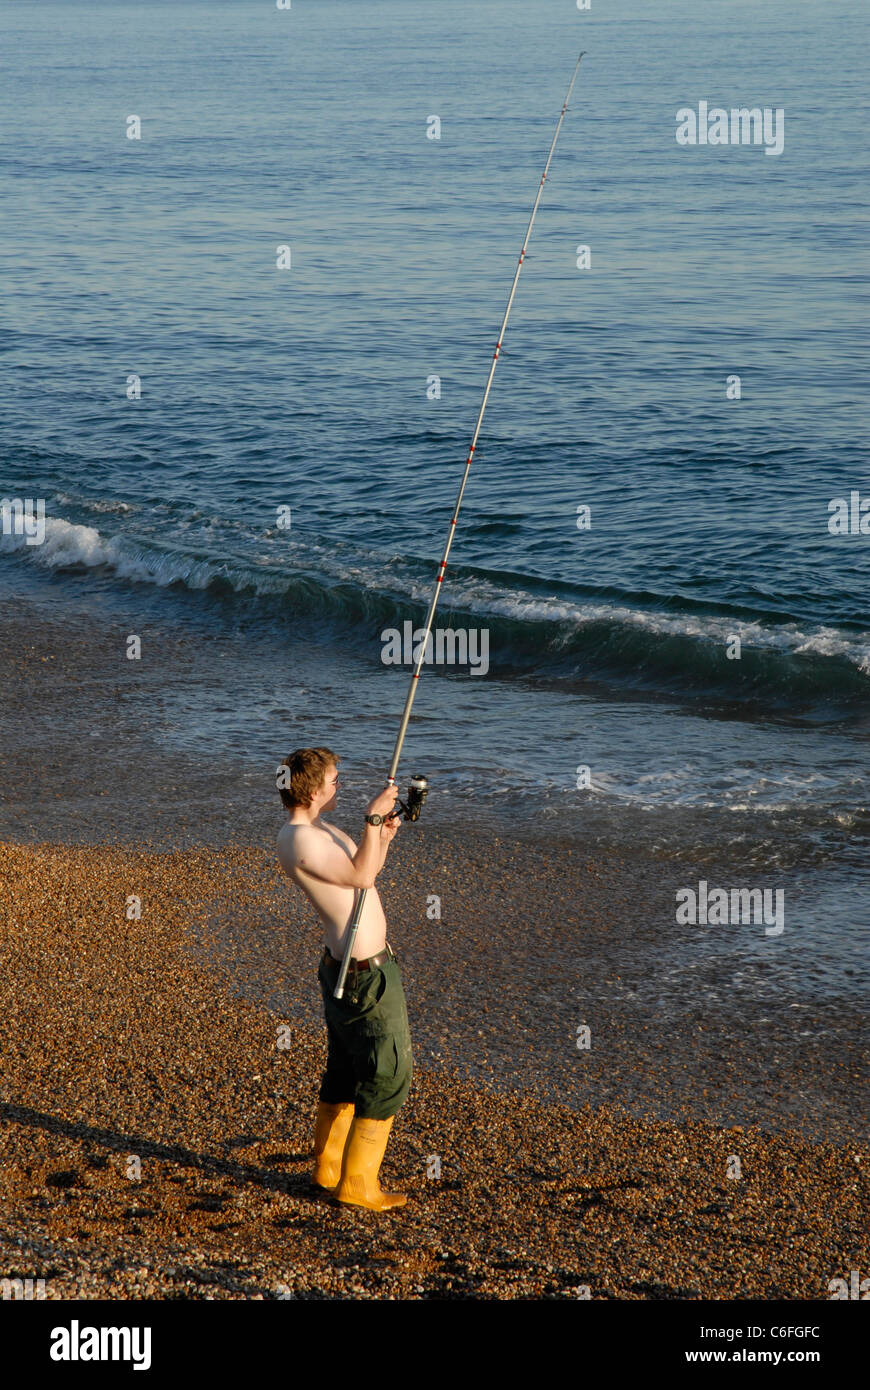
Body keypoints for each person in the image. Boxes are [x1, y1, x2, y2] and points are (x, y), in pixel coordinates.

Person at [276, 747, 412, 1211]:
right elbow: (360, 874)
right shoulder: (302, 840)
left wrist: (384, 834)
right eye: (335, 781)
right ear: (314, 791)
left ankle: (328, 1167)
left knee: (347, 1068)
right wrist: (372, 821)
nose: (340, 786)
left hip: (350, 969)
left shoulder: (314, 831)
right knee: (389, 1071)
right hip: (361, 975)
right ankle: (357, 1185)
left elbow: (366, 871)